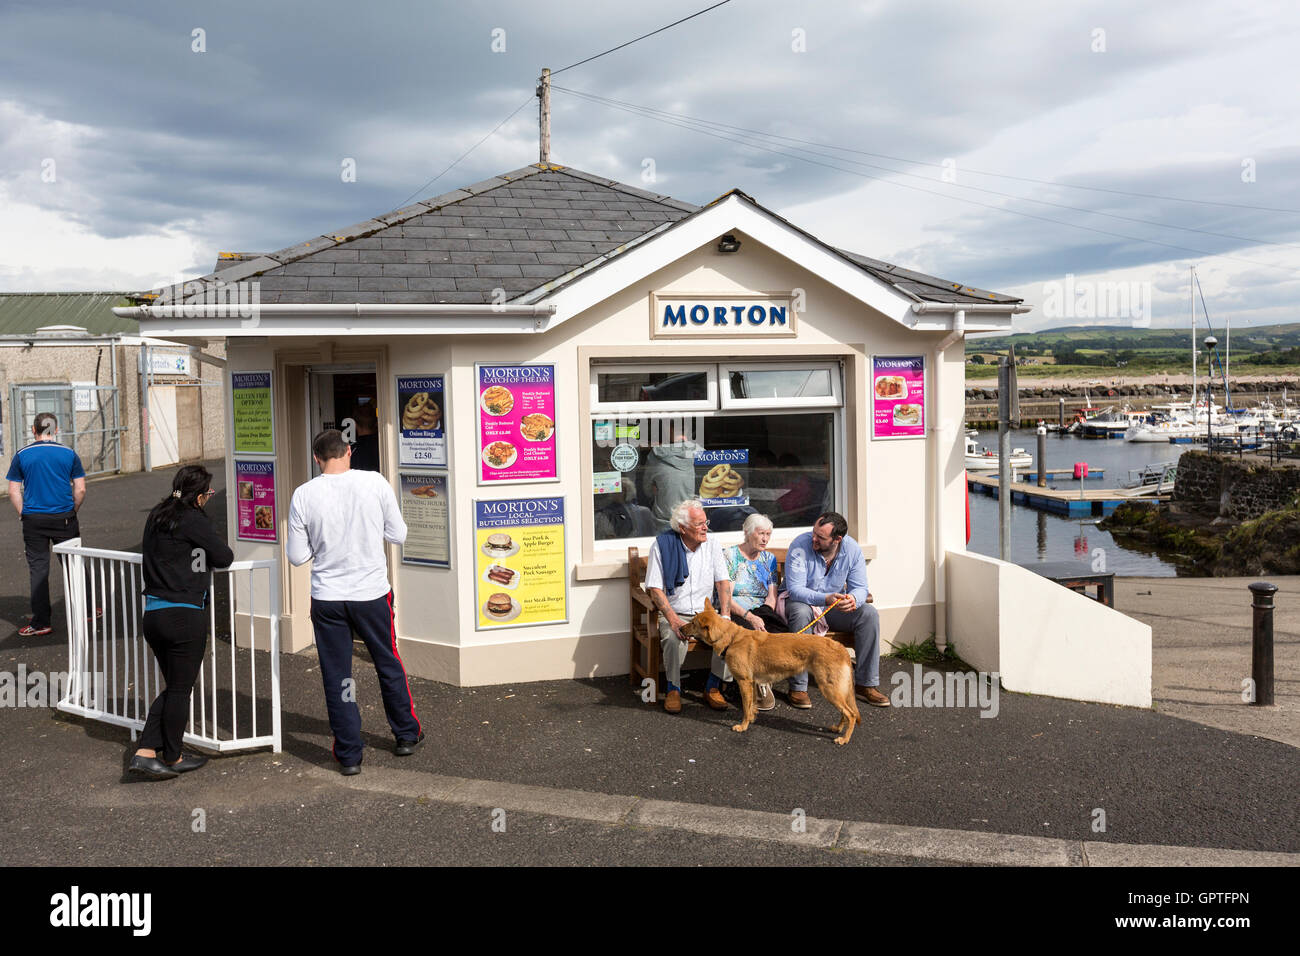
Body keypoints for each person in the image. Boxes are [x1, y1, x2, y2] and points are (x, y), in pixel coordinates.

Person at [287, 429, 421, 775]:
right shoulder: (374, 483)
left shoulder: (303, 495)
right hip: (371, 593)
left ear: (317, 458)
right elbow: (398, 534)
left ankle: (349, 754)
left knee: (338, 675)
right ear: (349, 451)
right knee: (386, 662)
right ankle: (406, 734)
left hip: (328, 596)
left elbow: (297, 556)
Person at [129, 465, 232, 779]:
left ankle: (154, 752)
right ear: (200, 497)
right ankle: (164, 755)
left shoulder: (158, 515)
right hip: (184, 615)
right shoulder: (191, 519)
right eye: (209, 494)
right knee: (179, 689)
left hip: (154, 615)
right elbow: (224, 557)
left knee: (175, 686)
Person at [781, 511, 889, 710]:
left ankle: (866, 684)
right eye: (814, 532)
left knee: (869, 614)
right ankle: (798, 687)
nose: (813, 538)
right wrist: (825, 598)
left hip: (832, 607)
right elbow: (795, 590)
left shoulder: (852, 549)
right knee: (801, 612)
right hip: (803, 603)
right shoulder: (800, 545)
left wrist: (853, 599)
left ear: (837, 539)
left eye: (820, 537)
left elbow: (860, 587)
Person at [643, 498, 735, 714]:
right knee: (674, 638)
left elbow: (722, 582)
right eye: (699, 524)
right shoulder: (662, 545)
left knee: (729, 636)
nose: (705, 528)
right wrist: (674, 620)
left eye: (706, 522)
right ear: (682, 528)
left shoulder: (712, 544)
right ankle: (673, 688)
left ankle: (713, 686)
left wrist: (726, 615)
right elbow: (655, 589)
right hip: (675, 611)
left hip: (706, 614)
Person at [6, 412, 87, 637]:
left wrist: (24, 513)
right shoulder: (69, 454)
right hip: (64, 517)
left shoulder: (22, 455)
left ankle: (41, 623)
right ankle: (88, 609)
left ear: (34, 430)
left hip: (34, 520)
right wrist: (72, 511)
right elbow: (80, 489)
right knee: (74, 563)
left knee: (39, 570)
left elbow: (13, 490)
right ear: (56, 430)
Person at [723, 513, 783, 712]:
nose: (765, 538)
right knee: (748, 636)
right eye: (761, 534)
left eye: (768, 534)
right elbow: (726, 598)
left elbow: (772, 595)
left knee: (778, 632)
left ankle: (762, 681)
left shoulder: (769, 559)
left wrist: (764, 617)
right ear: (748, 533)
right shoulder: (731, 556)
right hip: (737, 611)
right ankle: (752, 685)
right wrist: (750, 616)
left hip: (761, 610)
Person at [644, 423, 700, 530]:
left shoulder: (655, 455)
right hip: (693, 521)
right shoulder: (700, 454)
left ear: (667, 429)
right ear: (688, 429)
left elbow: (647, 491)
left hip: (663, 523)